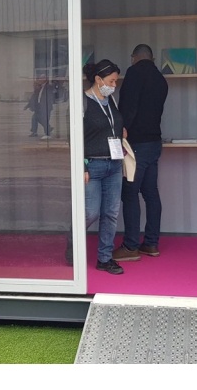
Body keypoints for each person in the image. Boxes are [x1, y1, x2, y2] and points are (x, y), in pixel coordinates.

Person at [69, 58, 126, 275]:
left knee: (110, 213)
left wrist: (120, 131)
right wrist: (82, 165)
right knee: (90, 213)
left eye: (115, 82)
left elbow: (113, 126)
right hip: (92, 165)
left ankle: (105, 258)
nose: (114, 85)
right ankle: (72, 242)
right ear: (98, 79)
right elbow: (74, 138)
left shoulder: (111, 102)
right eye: (111, 81)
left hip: (114, 164)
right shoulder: (82, 103)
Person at [114, 43, 169, 261]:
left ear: (134, 57)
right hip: (155, 142)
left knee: (130, 192)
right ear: (152, 58)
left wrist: (120, 130)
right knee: (150, 192)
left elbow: (128, 107)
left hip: (136, 143)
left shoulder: (134, 73)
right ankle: (151, 243)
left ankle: (130, 246)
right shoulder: (161, 79)